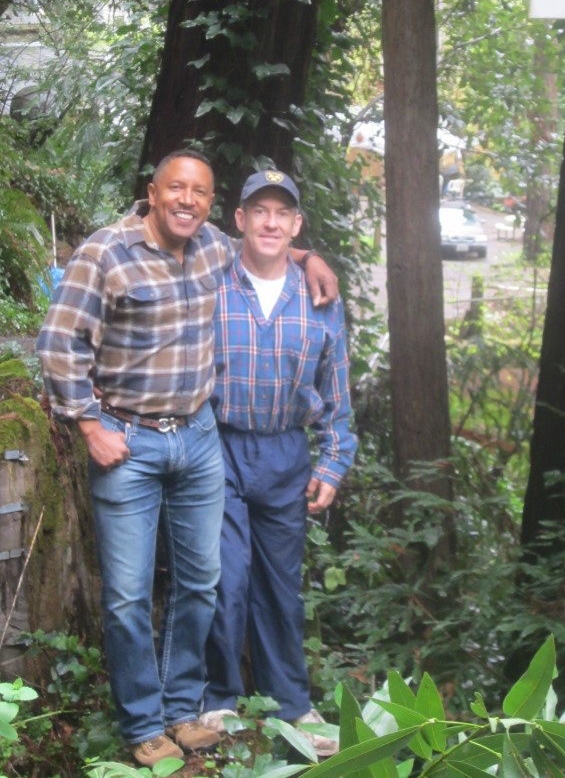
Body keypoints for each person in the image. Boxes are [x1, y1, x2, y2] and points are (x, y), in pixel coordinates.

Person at [36, 151, 337, 768]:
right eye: (176, 188)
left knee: (201, 582)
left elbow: (266, 244)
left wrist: (311, 258)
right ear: (152, 192)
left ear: (210, 204)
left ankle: (183, 710)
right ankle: (144, 723)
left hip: (198, 438)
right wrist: (89, 426)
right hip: (128, 439)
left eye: (199, 192)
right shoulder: (105, 252)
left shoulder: (210, 248)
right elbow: (59, 343)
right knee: (127, 593)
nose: (187, 200)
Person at [200, 170, 357, 756]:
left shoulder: (319, 299)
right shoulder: (209, 278)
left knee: (281, 586)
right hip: (217, 445)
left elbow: (337, 388)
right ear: (238, 220)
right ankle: (217, 697)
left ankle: (292, 704)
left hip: (287, 453)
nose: (270, 222)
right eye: (259, 211)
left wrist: (333, 462)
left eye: (282, 213)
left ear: (296, 225)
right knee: (223, 576)